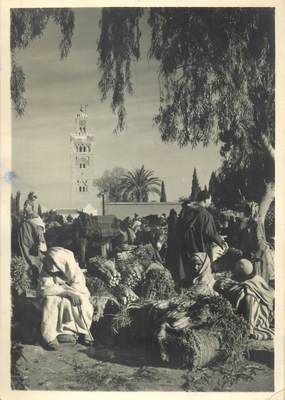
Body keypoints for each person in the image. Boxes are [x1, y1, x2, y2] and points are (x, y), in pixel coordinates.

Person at [37, 247, 94, 350]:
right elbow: (45, 287)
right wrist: (65, 292)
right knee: (51, 302)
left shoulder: (73, 270)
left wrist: (69, 293)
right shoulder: (46, 269)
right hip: (55, 294)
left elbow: (79, 288)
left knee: (82, 303)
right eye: (49, 261)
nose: (50, 264)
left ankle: (81, 331)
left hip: (72, 293)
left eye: (53, 262)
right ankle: (50, 337)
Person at [176, 190, 226, 284]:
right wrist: (221, 243)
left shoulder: (185, 212)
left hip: (185, 249)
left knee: (187, 274)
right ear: (205, 199)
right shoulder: (205, 215)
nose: (210, 202)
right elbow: (211, 233)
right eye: (210, 200)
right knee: (200, 274)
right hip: (199, 249)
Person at [228, 259, 274, 340]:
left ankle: (249, 328)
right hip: (266, 313)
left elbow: (250, 304)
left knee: (249, 297)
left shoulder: (249, 287)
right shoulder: (258, 278)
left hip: (258, 317)